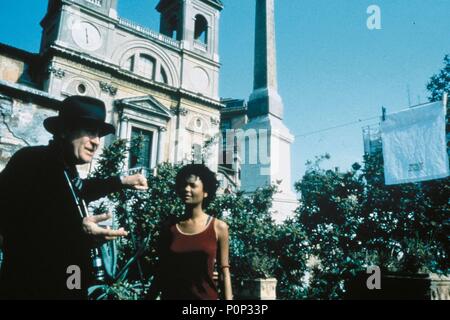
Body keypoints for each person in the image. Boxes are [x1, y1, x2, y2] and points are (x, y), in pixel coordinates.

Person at [0, 95, 148, 299]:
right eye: (89, 131)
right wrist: (78, 231)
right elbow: (13, 225)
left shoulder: (68, 170)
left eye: (98, 134)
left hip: (72, 280)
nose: (96, 142)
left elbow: (79, 192)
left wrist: (122, 181)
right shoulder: (31, 162)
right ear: (64, 130)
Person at [147, 164, 233, 300]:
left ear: (206, 191)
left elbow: (224, 271)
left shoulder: (218, 227)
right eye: (183, 185)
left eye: (192, 186)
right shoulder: (169, 228)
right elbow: (161, 271)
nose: (186, 189)